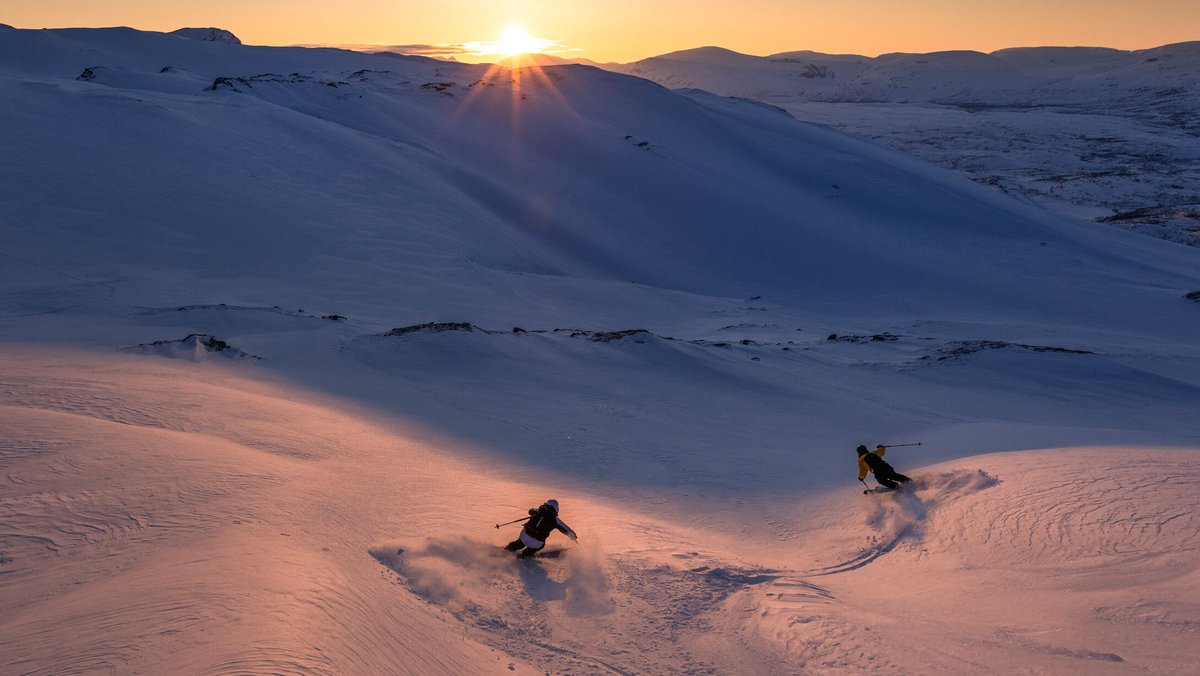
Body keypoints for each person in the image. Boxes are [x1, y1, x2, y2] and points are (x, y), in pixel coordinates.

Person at [504, 498, 577, 557]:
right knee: (539, 546)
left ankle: (508, 549)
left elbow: (530, 510)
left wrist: (539, 512)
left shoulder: (538, 511)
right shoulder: (556, 520)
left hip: (524, 536)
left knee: (520, 543)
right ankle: (526, 554)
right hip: (537, 543)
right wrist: (573, 537)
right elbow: (567, 530)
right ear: (556, 509)